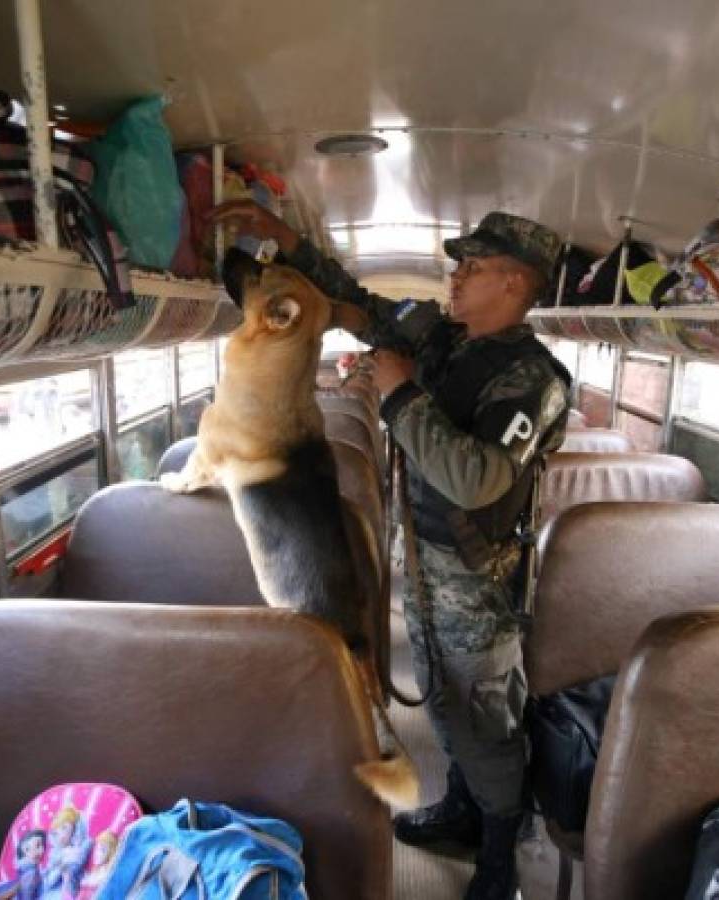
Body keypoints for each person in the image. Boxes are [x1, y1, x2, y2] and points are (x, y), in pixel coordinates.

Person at [214, 200, 572, 900]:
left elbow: (477, 479)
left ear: (515, 284)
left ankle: (500, 850)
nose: (456, 276)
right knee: (442, 699)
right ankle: (463, 810)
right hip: (429, 565)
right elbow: (355, 306)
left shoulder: (534, 379)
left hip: (482, 581)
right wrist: (296, 246)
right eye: (458, 263)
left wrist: (399, 393)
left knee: (486, 714)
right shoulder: (440, 336)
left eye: (474, 266)